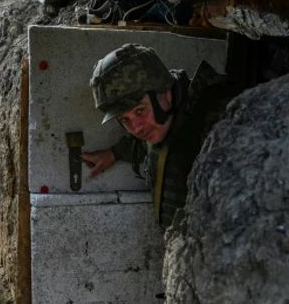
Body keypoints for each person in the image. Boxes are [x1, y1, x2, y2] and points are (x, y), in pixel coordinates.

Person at [81, 43, 231, 229]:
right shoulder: (163, 121)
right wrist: (113, 154)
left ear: (166, 94)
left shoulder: (219, 122)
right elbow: (144, 144)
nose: (136, 128)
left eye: (140, 111)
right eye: (125, 120)